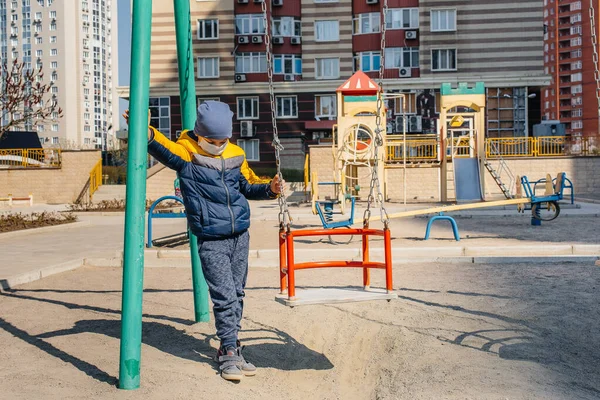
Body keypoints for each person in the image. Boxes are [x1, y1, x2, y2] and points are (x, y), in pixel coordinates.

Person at [124, 101, 282, 381]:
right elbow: (159, 146)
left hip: (240, 235)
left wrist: (269, 189)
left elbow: (247, 186)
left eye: (223, 140)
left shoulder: (236, 154)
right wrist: (143, 128)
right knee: (224, 296)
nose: (219, 145)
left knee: (238, 293)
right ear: (199, 134)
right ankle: (230, 349)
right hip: (212, 239)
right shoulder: (186, 154)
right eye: (212, 140)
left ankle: (230, 345)